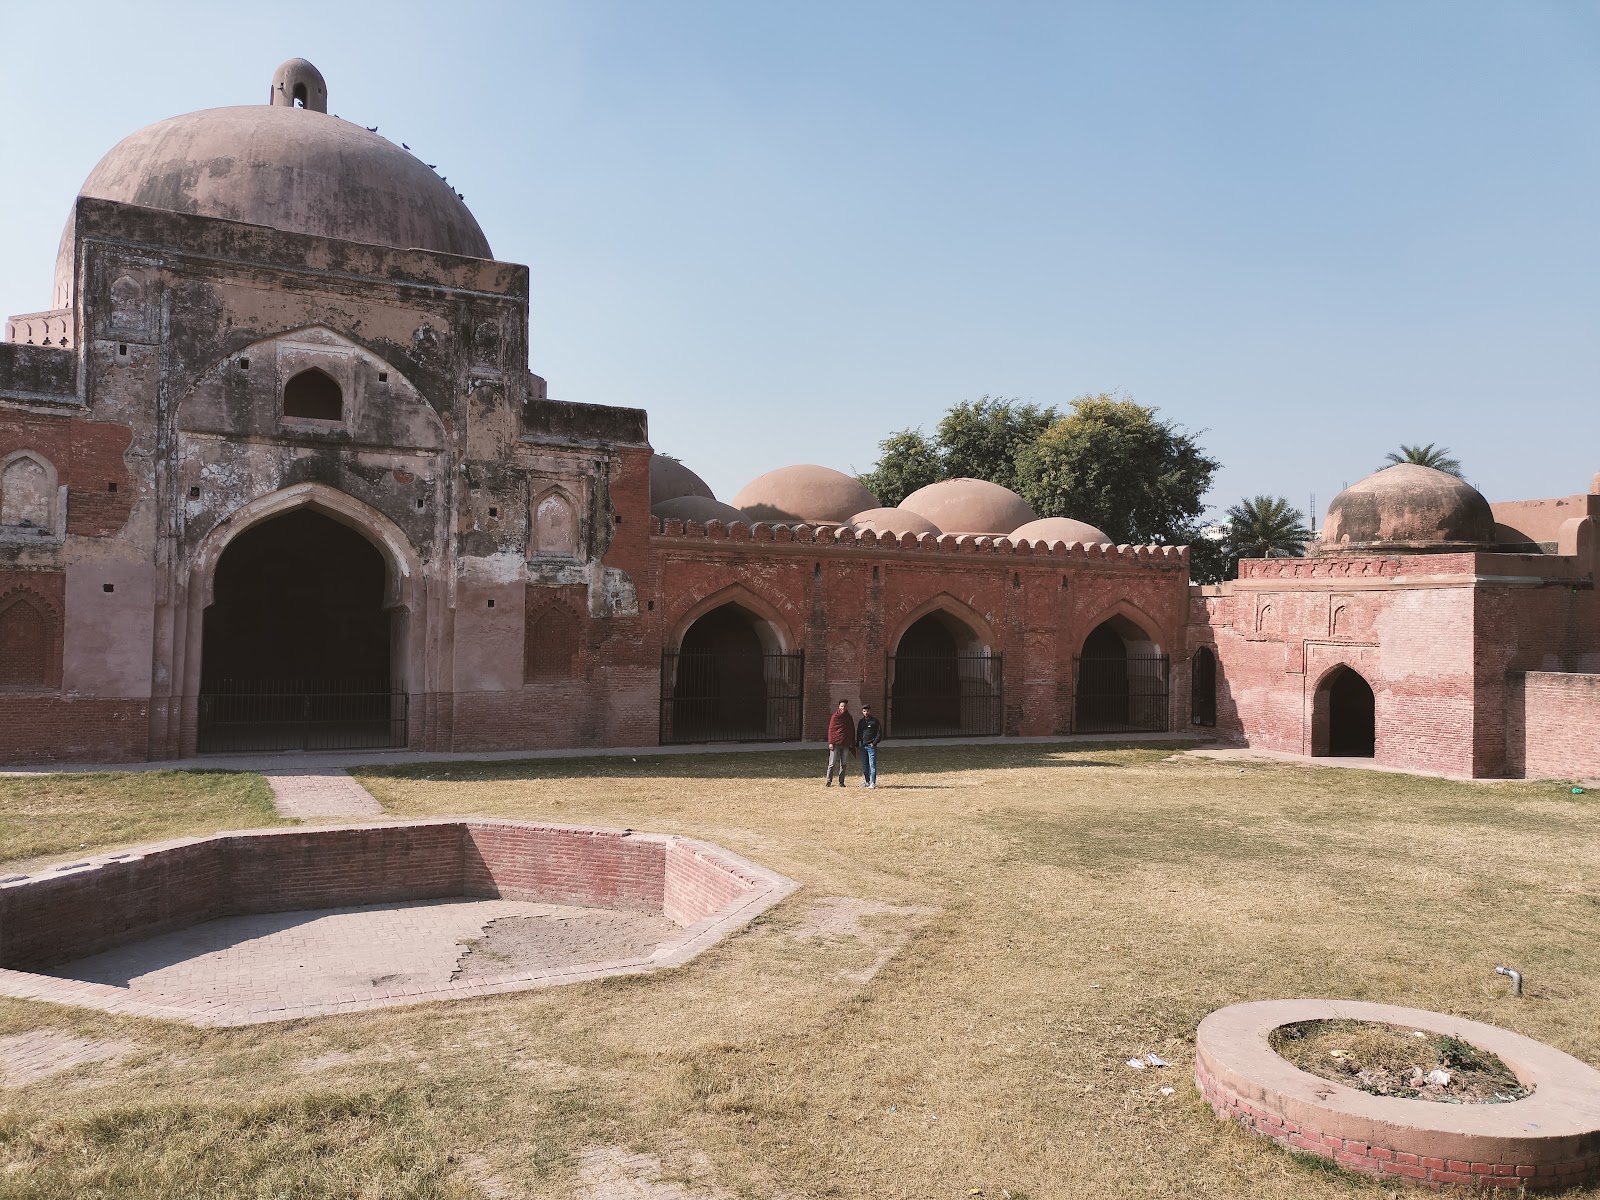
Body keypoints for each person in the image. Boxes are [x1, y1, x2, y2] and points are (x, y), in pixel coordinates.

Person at [825, 698, 856, 786]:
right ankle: (828, 781)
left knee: (844, 763)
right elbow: (831, 730)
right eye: (842, 706)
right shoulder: (835, 717)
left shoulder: (848, 717)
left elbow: (851, 730)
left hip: (845, 743)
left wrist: (851, 742)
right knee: (832, 763)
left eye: (845, 706)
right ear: (839, 706)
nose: (843, 708)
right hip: (835, 744)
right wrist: (831, 742)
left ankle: (841, 782)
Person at [857, 704, 883, 788]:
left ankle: (873, 782)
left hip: (871, 746)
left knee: (872, 764)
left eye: (867, 711)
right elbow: (859, 733)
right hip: (863, 746)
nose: (866, 713)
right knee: (865, 765)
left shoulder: (875, 721)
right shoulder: (861, 722)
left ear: (870, 711)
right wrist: (858, 743)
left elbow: (879, 733)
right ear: (862, 712)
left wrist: (874, 743)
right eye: (864, 711)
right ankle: (867, 781)